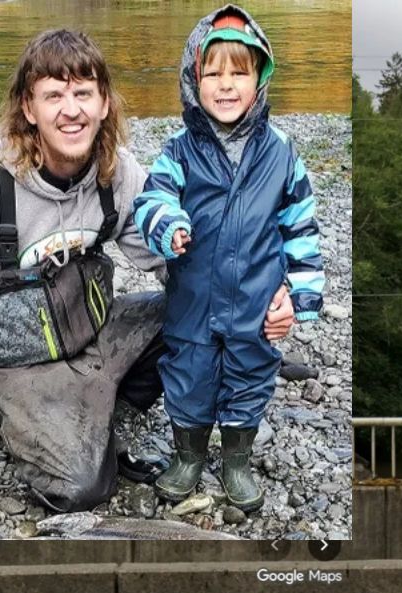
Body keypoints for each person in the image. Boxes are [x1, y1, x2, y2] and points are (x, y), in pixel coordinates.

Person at [0, 29, 298, 513]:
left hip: (92, 330)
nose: (70, 110)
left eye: (83, 94)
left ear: (104, 103)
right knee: (83, 488)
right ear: (29, 108)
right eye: (54, 95)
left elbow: (181, 263)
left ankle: (109, 406)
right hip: (22, 363)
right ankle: (27, 416)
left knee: (190, 311)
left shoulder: (120, 175)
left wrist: (260, 309)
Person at [132, 5, 324, 513]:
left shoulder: (282, 153)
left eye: (239, 72)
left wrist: (297, 296)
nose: (225, 85)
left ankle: (237, 459)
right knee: (188, 375)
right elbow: (152, 199)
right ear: (193, 79)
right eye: (213, 73)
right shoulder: (179, 150)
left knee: (251, 375)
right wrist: (166, 225)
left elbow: (301, 228)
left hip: (256, 305)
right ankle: (188, 455)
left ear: (260, 78)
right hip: (193, 303)